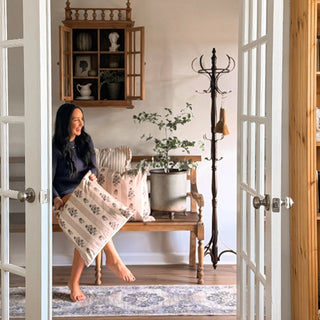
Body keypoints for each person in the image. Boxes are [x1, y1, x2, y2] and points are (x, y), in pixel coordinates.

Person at [52, 103, 135, 302]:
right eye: (76, 119)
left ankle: (75, 282)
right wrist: (55, 197)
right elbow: (49, 178)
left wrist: (93, 177)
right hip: (67, 195)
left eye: (82, 119)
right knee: (89, 220)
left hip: (87, 190)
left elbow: (93, 168)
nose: (81, 123)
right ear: (65, 122)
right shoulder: (54, 147)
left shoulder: (85, 140)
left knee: (90, 224)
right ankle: (113, 258)